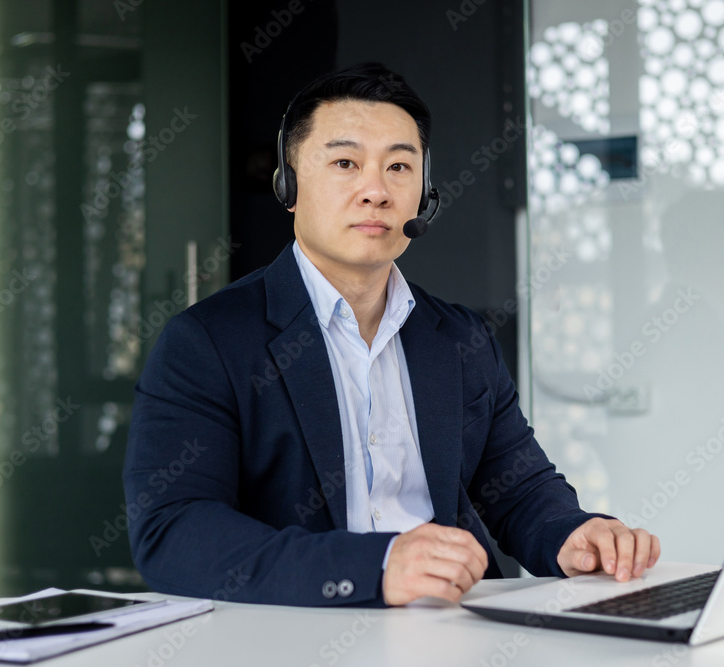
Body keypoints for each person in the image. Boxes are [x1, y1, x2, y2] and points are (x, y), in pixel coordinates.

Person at [123, 62, 660, 608]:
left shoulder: (459, 338)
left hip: (457, 625)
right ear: (288, 184)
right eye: (345, 162)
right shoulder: (207, 342)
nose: (375, 190)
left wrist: (573, 534)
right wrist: (375, 568)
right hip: (303, 630)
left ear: (424, 193)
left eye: (399, 166)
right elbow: (174, 532)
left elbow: (518, 488)